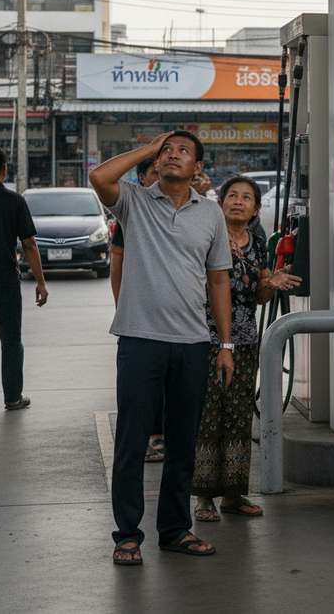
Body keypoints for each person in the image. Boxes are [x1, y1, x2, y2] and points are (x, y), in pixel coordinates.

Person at [89, 130, 234, 566]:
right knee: (132, 443)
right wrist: (149, 148)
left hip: (192, 343)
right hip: (140, 340)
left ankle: (174, 529)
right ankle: (127, 535)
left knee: (183, 444)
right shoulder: (134, 201)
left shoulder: (210, 214)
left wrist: (225, 343)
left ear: (198, 167)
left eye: (183, 151)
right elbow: (99, 177)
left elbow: (218, 280)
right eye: (167, 150)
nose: (173, 155)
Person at [193, 175, 300, 522]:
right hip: (206, 339)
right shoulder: (206, 238)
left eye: (246, 197)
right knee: (209, 416)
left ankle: (233, 495)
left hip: (245, 341)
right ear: (220, 202)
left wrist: (272, 283)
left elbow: (260, 295)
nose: (238, 201)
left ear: (255, 209)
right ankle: (204, 497)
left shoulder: (256, 244)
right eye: (232, 196)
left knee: (239, 417)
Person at [110, 156, 166, 462]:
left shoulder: (197, 210)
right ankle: (150, 435)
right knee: (142, 387)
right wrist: (123, 309)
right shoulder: (131, 211)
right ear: (141, 179)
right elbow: (116, 265)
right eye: (154, 172)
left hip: (181, 321)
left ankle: (163, 433)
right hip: (140, 319)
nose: (161, 176)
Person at [0, 145, 48, 411]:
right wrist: (41, 283)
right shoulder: (14, 201)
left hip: (5, 281)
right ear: (5, 169)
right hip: (5, 282)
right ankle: (13, 397)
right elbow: (29, 244)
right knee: (11, 341)